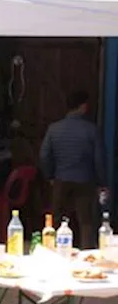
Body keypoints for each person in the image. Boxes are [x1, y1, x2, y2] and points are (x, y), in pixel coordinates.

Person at [41, 90, 107, 249]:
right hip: (85, 181)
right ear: (83, 106)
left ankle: (55, 252)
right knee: (86, 222)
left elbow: (44, 155)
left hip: (61, 180)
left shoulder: (54, 129)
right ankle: (87, 255)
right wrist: (102, 182)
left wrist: (50, 176)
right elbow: (99, 159)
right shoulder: (92, 130)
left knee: (57, 220)